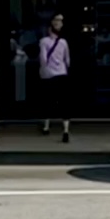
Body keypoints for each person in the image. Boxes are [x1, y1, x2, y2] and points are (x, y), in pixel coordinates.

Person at [38, 12, 71, 142]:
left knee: (47, 101)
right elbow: (67, 60)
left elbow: (43, 59)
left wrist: (43, 70)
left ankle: (46, 127)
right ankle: (65, 130)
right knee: (64, 103)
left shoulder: (43, 42)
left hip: (48, 75)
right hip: (62, 74)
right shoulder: (64, 42)